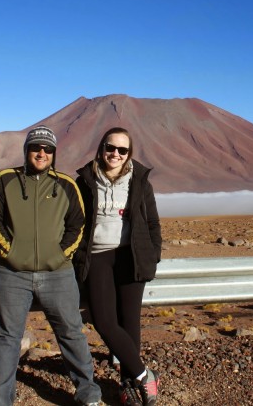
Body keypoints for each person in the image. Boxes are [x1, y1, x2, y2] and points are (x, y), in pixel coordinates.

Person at [0, 126, 102, 406]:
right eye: (36, 147)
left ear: (54, 154)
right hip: (11, 273)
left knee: (71, 332)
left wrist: (59, 255)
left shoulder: (66, 185)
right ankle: (0, 400)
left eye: (47, 149)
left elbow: (78, 225)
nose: (41, 153)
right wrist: (9, 253)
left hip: (57, 274)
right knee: (5, 338)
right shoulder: (5, 180)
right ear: (26, 151)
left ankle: (88, 394)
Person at [74, 127, 162, 406]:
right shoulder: (85, 181)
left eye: (122, 150)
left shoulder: (139, 181)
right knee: (103, 321)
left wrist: (153, 254)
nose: (115, 154)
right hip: (97, 257)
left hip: (130, 257)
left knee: (130, 324)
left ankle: (127, 388)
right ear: (101, 149)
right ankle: (144, 374)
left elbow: (152, 223)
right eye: (111, 148)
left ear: (129, 154)